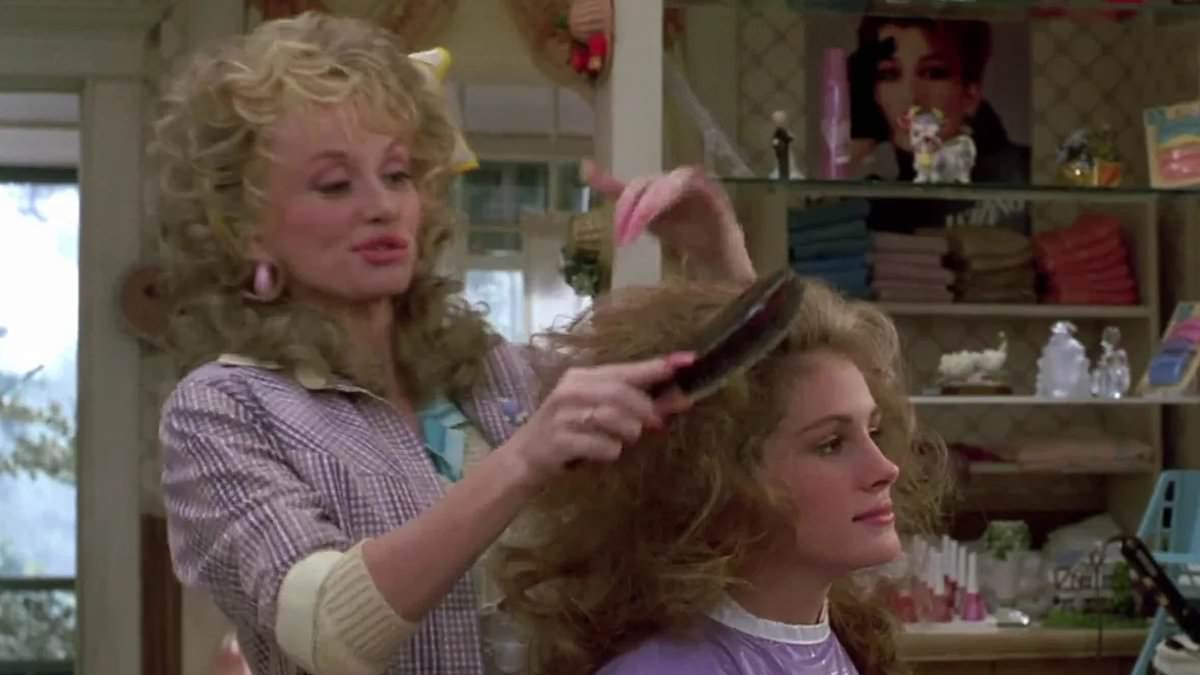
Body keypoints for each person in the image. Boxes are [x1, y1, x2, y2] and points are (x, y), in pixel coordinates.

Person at [152, 11, 755, 675]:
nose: (382, 205)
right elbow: (326, 629)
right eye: (335, 183)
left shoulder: (490, 372)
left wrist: (717, 257)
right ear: (244, 228)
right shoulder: (222, 408)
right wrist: (524, 458)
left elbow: (719, 433)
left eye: (397, 175)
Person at [494, 279, 951, 675]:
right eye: (831, 444)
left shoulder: (840, 645)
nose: (885, 469)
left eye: (874, 431)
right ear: (716, 482)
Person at [847, 16, 1031, 231]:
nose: (910, 98)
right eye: (889, 74)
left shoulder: (1024, 170)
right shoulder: (874, 203)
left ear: (970, 92)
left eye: (933, 73)